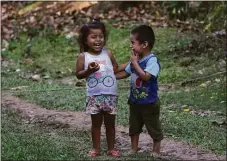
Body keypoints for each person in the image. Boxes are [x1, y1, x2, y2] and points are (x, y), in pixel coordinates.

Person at [115, 25, 163, 156]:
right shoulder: (137, 60)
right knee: (134, 126)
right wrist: (108, 77)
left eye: (133, 43)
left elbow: (146, 77)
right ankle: (134, 148)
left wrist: (135, 64)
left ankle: (156, 150)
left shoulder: (152, 61)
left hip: (149, 102)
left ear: (144, 44)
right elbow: (124, 73)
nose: (131, 46)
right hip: (135, 101)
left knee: (153, 127)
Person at [75, 19, 120, 157]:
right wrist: (88, 70)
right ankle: (96, 148)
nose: (98, 40)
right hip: (94, 96)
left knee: (110, 125)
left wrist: (132, 65)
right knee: (96, 124)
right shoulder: (84, 56)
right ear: (85, 39)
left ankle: (111, 148)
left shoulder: (108, 54)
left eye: (101, 36)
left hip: (110, 96)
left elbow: (116, 69)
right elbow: (79, 75)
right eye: (93, 37)